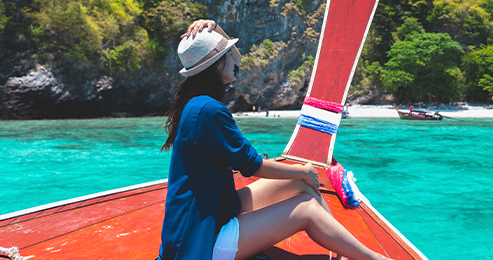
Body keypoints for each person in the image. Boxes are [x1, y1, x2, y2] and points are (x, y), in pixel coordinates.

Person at [158, 19, 391, 260]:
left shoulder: (197, 103)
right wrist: (303, 171)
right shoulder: (209, 111)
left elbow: (234, 58)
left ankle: (343, 252)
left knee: (300, 186)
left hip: (214, 210)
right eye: (226, 53)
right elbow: (252, 167)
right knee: (307, 208)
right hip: (201, 239)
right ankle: (374, 259)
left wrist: (215, 28)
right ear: (216, 65)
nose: (234, 59)